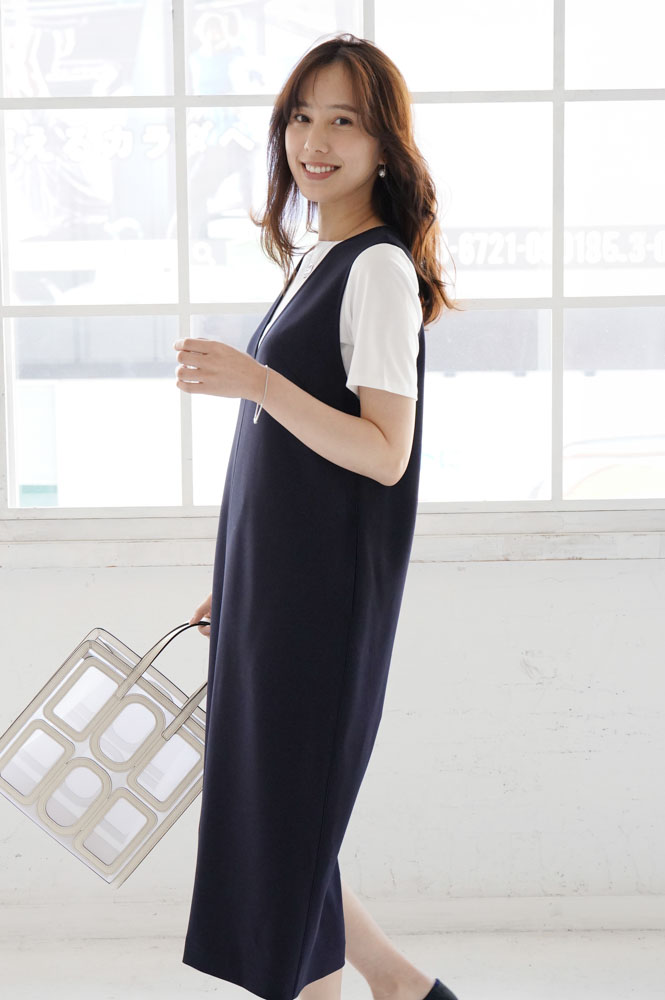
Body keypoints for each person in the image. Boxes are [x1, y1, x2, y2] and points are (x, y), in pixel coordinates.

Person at [174, 32, 460, 1000]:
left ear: (384, 146)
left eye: (343, 120)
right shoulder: (316, 256)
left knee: (282, 821)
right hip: (276, 586)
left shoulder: (374, 269)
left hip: (323, 600)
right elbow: (287, 461)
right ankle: (403, 987)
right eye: (301, 117)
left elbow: (383, 451)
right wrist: (239, 579)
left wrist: (257, 380)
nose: (315, 140)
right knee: (279, 820)